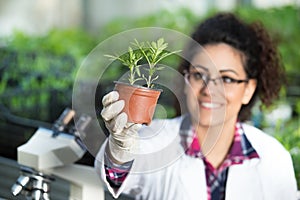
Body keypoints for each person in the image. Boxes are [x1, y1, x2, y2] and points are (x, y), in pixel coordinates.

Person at [95, 12, 298, 200]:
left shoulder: (272, 156)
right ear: (186, 80)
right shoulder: (156, 139)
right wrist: (120, 148)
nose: (209, 90)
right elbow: (117, 173)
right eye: (200, 75)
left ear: (248, 89)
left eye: (227, 79)